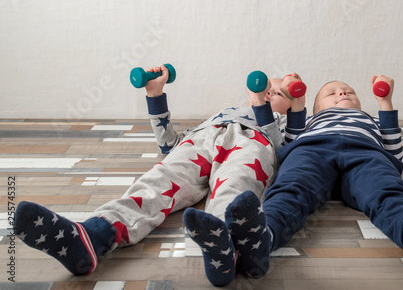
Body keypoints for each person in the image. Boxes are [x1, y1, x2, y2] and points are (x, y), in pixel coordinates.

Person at [14, 66, 306, 287]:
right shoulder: (223, 113)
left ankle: (226, 251)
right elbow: (169, 144)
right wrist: (154, 93)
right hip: (201, 141)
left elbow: (286, 151)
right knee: (158, 181)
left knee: (236, 185)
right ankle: (93, 234)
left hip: (252, 146)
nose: (268, 94)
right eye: (266, 90)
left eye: (277, 93)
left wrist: (270, 104)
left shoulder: (279, 124)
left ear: (291, 104)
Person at [225, 75, 403, 288]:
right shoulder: (311, 122)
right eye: (332, 93)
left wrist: (385, 100)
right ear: (317, 109)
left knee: (390, 196)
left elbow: (395, 151)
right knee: (290, 191)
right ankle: (262, 239)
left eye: (348, 91)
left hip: (365, 155)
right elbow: (285, 143)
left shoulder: (369, 121)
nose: (342, 94)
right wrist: (281, 105)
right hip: (312, 151)